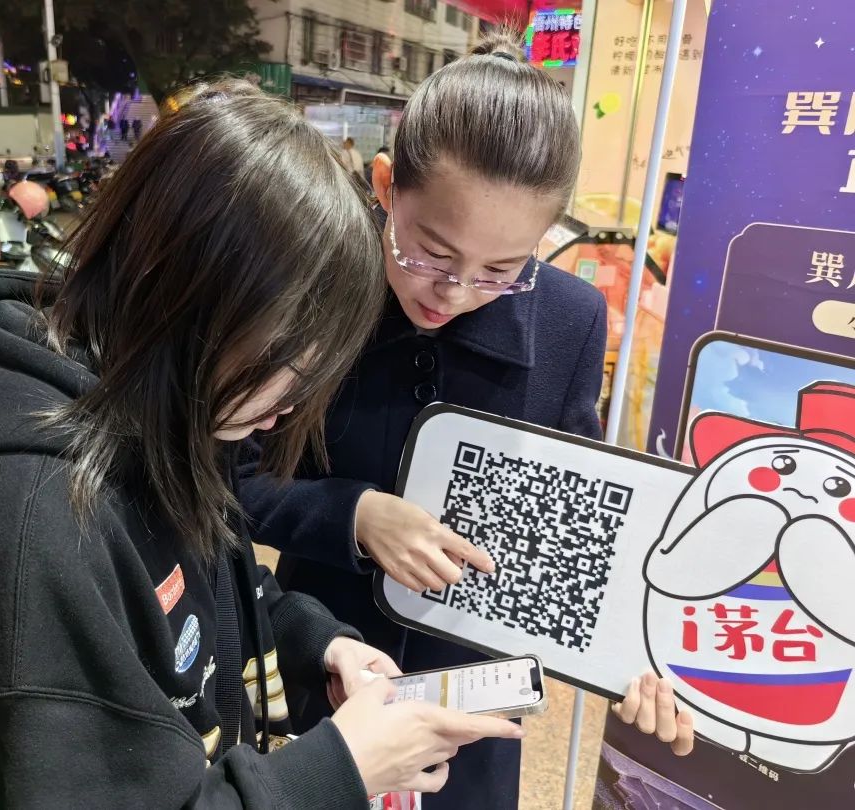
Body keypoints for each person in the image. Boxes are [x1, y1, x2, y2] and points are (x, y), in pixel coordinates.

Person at [0, 80, 523, 809]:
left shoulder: (160, 409)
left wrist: (314, 646)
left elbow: (205, 597)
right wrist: (339, 771)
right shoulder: (22, 547)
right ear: (195, 301)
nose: (291, 406)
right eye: (290, 365)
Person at [240, 33, 695, 810]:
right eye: (431, 253)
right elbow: (229, 479)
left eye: (500, 271)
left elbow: (575, 523)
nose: (453, 291)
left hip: (476, 693)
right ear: (386, 186)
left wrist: (635, 655)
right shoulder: (315, 289)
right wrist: (355, 515)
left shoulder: (569, 319)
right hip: (327, 660)